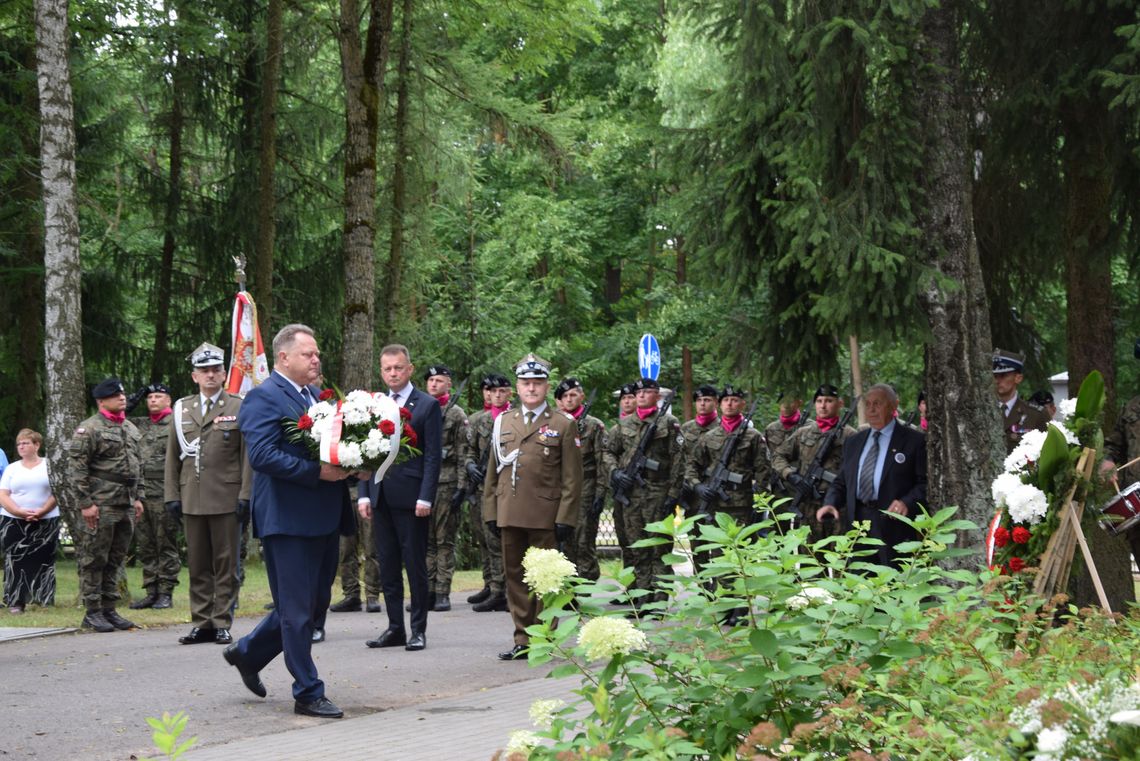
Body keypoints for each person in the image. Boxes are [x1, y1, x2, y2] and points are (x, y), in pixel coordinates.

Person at [223, 324, 355, 719]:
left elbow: (331, 447)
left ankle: (247, 653)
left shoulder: (317, 397)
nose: (316, 360)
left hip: (324, 516)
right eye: (308, 354)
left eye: (317, 354)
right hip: (287, 519)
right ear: (283, 357)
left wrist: (354, 465)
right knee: (296, 612)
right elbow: (262, 456)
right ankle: (308, 692)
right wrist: (317, 472)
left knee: (311, 607)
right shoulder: (263, 398)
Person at [484, 354, 582, 660]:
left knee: (546, 580)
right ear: (517, 387)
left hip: (545, 515)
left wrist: (565, 517)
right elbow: (492, 471)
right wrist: (490, 511)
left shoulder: (563, 424)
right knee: (515, 577)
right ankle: (522, 639)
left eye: (537, 383)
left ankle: (544, 639)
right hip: (510, 510)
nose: (531, 388)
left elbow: (572, 478)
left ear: (546, 386)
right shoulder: (503, 421)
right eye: (526, 383)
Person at [165, 343, 253, 645]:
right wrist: (171, 495)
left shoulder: (237, 406)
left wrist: (246, 495)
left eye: (216, 369)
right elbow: (172, 456)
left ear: (224, 373)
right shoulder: (182, 409)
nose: (210, 375)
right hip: (192, 497)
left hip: (226, 497)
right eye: (204, 371)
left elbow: (246, 456)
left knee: (226, 563)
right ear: (195, 376)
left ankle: (221, 621)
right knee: (199, 563)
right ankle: (201, 621)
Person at [360, 344, 442, 652]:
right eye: (387, 369)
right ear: (381, 372)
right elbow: (366, 453)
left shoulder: (426, 405)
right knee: (388, 566)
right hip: (380, 495)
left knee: (414, 565)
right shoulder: (374, 404)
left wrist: (427, 497)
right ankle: (395, 627)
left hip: (412, 499)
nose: (393, 373)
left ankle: (417, 629)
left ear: (409, 369)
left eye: (398, 368)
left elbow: (433, 456)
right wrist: (363, 495)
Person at [817, 383, 928, 568]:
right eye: (867, 404)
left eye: (878, 403)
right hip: (858, 523)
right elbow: (842, 481)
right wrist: (830, 503)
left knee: (894, 584)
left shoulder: (913, 441)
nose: (871, 409)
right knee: (859, 583)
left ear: (893, 406)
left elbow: (924, 484)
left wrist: (906, 502)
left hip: (893, 525)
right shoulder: (854, 442)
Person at [68, 378, 145, 632]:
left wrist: (139, 497)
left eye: (122, 393)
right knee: (95, 557)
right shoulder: (89, 428)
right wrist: (86, 503)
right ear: (102, 401)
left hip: (125, 502)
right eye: (115, 395)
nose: (122, 397)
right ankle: (92, 610)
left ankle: (109, 608)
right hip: (101, 503)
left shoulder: (131, 429)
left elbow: (138, 466)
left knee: (116, 558)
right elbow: (78, 469)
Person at [604, 377, 683, 602]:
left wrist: (673, 494)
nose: (640, 395)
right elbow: (607, 452)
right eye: (638, 393)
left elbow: (678, 460)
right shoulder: (623, 424)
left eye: (647, 392)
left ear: (656, 396)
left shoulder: (668, 422)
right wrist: (615, 472)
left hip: (658, 492)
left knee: (659, 547)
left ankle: (659, 598)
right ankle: (642, 595)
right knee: (637, 546)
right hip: (632, 496)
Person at [771, 384, 857, 541]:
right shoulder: (804, 432)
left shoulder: (850, 435)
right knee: (809, 560)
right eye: (819, 401)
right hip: (809, 505)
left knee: (840, 560)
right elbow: (777, 456)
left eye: (829, 400)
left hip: (839, 507)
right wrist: (790, 475)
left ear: (840, 404)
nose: (823, 406)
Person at [463, 373, 512, 612]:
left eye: (502, 391)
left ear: (509, 393)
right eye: (493, 392)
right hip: (484, 489)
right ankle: (496, 589)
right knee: (488, 538)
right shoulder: (480, 421)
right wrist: (470, 465)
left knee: (508, 540)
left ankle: (509, 590)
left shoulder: (515, 419)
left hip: (509, 488)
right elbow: (469, 450)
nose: (497, 395)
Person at [129, 383, 180, 611]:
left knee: (165, 542)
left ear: (169, 400)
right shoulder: (140, 424)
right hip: (141, 494)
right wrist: (129, 404)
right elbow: (116, 421)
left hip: (165, 492)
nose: (153, 400)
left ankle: (166, 591)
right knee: (146, 544)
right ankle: (151, 590)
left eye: (158, 396)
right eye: (149, 397)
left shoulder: (176, 423)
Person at [422, 364, 468, 612]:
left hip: (448, 483)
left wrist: (462, 486)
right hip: (424, 486)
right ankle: (427, 590)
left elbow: (463, 454)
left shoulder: (457, 414)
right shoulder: (420, 410)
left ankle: (442, 592)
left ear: (448, 384)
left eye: (439, 381)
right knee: (426, 543)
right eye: (430, 381)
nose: (434, 384)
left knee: (444, 542)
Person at [554, 377, 607, 580]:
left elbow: (602, 461)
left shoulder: (594, 426)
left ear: (582, 397)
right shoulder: (555, 423)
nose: (569, 399)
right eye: (565, 396)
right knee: (565, 539)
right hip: (560, 488)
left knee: (584, 539)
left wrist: (600, 494)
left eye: (573, 395)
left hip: (586, 487)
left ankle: (587, 583)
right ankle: (570, 585)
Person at [0, 430, 58, 613]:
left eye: (25, 443)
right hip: (14, 519)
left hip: (46, 518)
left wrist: (42, 510)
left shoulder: (49, 466)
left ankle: (44, 599)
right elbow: (3, 494)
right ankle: (16, 601)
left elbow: (56, 492)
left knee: (44, 558)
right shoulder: (12, 468)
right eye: (19, 444)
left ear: (36, 445)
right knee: (16, 560)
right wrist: (18, 511)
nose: (21, 447)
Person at [992, 349, 1050, 453]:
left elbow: (1047, 451)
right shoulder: (983, 411)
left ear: (1018, 378)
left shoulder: (1036, 414)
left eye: (1003, 376)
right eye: (995, 376)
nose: (997, 381)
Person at [679, 384, 720, 510]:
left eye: (707, 400)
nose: (702, 404)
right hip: (690, 488)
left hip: (715, 488)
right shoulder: (686, 428)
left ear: (716, 403)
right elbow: (679, 458)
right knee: (693, 527)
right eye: (699, 400)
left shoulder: (723, 428)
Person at [763, 395, 805, 498]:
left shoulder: (809, 427)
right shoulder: (771, 429)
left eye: (790, 401)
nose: (785, 406)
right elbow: (765, 459)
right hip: (777, 489)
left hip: (801, 485)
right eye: (782, 402)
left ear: (799, 402)